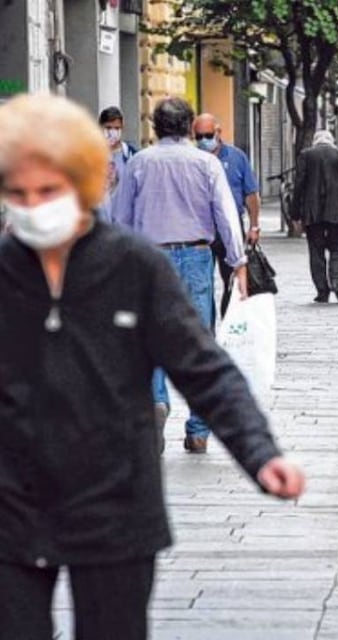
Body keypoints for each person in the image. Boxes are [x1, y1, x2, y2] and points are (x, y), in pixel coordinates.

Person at [0, 93, 305, 640]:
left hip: (115, 501)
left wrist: (259, 454)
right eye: (18, 193)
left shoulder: (132, 267)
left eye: (47, 190)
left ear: (84, 184)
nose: (32, 205)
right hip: (12, 503)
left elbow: (204, 368)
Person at [113, 97, 247, 454]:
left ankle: (157, 402)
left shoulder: (139, 163)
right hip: (198, 256)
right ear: (190, 128)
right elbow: (226, 214)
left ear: (156, 127)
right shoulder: (206, 164)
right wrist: (238, 261)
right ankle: (199, 429)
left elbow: (120, 218)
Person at [192, 113, 261, 317]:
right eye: (199, 136)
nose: (204, 140)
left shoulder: (236, 157)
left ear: (218, 132)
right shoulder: (193, 159)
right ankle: (207, 327)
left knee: (233, 278)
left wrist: (254, 225)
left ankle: (229, 321)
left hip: (229, 228)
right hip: (200, 228)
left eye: (208, 135)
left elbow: (251, 194)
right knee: (202, 284)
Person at [290, 129, 338, 303]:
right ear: (332, 141)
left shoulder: (306, 155)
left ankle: (322, 290)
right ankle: (337, 282)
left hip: (312, 212)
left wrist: (295, 214)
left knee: (316, 251)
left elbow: (299, 185)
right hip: (336, 211)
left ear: (315, 141)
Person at [98, 106, 138, 221]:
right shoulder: (92, 154)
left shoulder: (131, 154)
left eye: (117, 128)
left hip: (124, 218)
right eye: (108, 128)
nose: (113, 132)